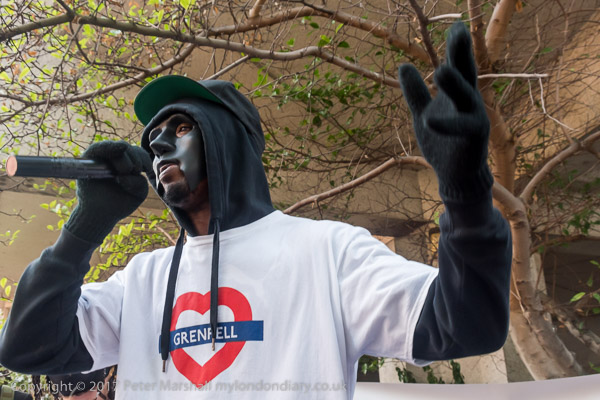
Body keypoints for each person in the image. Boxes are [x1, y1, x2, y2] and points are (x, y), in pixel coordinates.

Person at [0, 23, 511, 399]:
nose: (159, 145)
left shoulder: (328, 252)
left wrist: (465, 194)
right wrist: (84, 229)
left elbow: (468, 324)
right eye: (153, 138)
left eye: (182, 128)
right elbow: (29, 349)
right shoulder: (141, 281)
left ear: (230, 141)